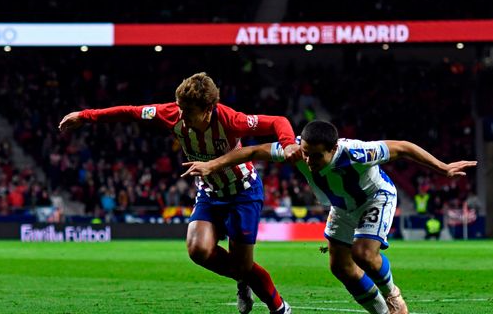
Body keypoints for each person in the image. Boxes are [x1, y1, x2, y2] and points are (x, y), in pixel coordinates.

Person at [59, 72, 302, 314]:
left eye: (188, 112)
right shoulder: (173, 113)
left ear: (207, 110)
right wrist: (85, 116)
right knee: (198, 250)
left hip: (243, 192)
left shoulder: (229, 119)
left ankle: (275, 305)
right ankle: (263, 294)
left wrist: (289, 143)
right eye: (180, 109)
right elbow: (130, 112)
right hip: (210, 192)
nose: (182, 117)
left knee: (243, 266)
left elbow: (277, 121)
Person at [182, 120, 475, 314]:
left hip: (375, 197)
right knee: (340, 267)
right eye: (305, 152)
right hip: (342, 207)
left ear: (333, 150)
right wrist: (212, 166)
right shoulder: (296, 151)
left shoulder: (357, 152)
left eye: (315, 156)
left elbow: (403, 147)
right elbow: (252, 151)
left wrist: (443, 168)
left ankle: (393, 293)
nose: (307, 160)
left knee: (363, 253)